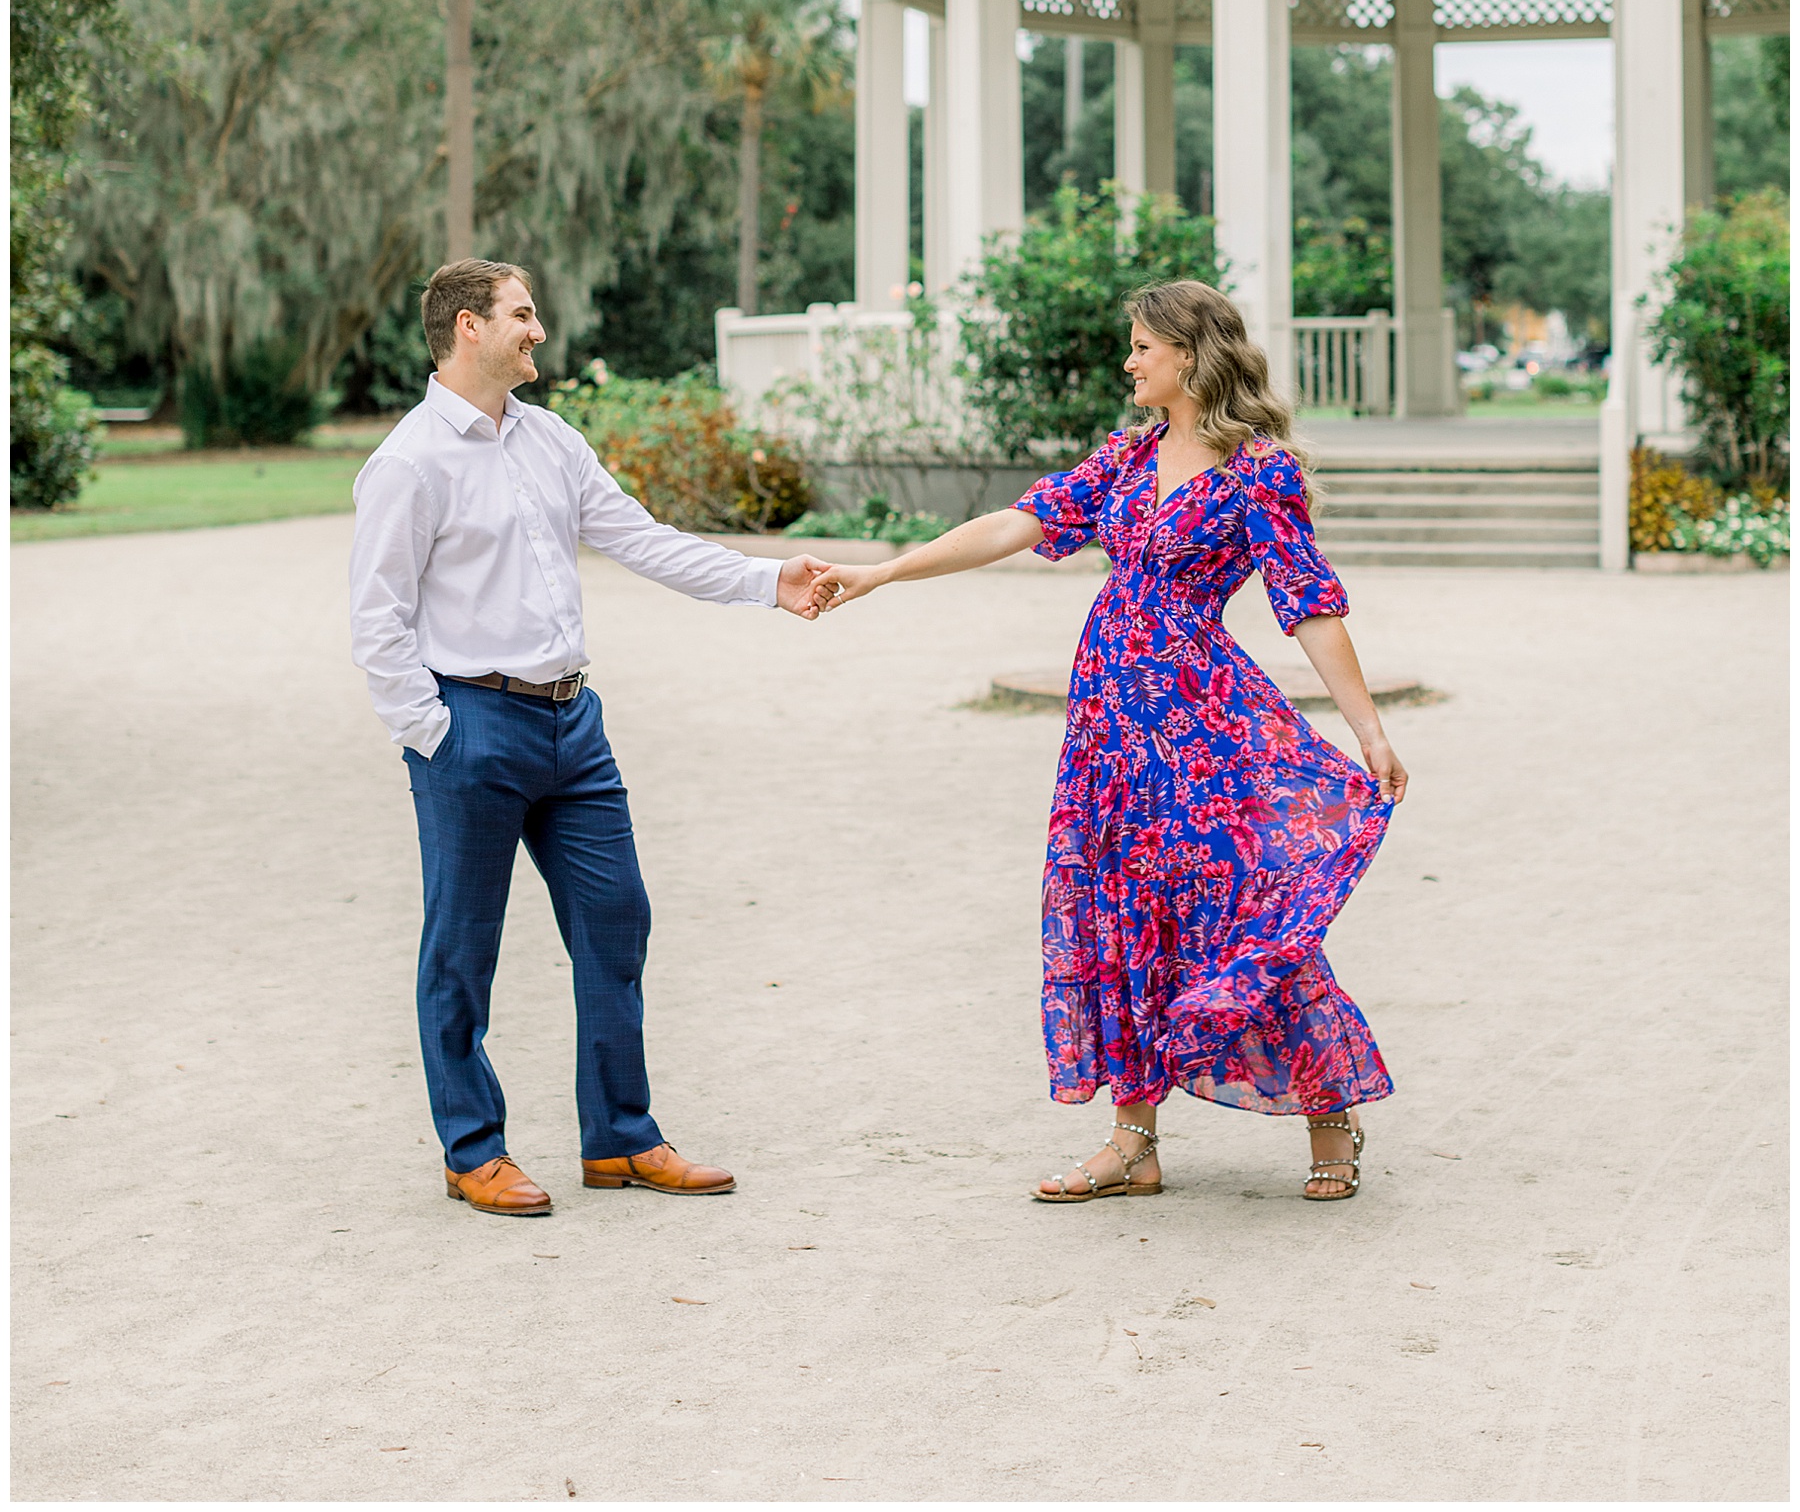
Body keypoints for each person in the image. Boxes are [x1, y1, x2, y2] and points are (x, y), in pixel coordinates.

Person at [805, 278, 1404, 1205]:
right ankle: (1134, 1143)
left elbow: (1310, 607)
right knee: (1116, 913)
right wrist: (883, 573)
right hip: (1109, 732)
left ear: (1189, 355)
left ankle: (1331, 1109)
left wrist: (1367, 731)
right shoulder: (1125, 459)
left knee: (1241, 908)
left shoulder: (1258, 474)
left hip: (1200, 728)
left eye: (1141, 347)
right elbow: (1012, 523)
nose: (1128, 362)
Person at [348, 258, 832, 1218]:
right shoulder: (408, 462)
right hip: (472, 726)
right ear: (467, 328)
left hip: (575, 724)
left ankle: (620, 1138)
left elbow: (643, 539)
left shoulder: (552, 441)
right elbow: (377, 619)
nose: (538, 330)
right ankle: (471, 1149)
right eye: (522, 314)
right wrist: (435, 734)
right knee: (461, 949)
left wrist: (765, 579)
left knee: (618, 921)